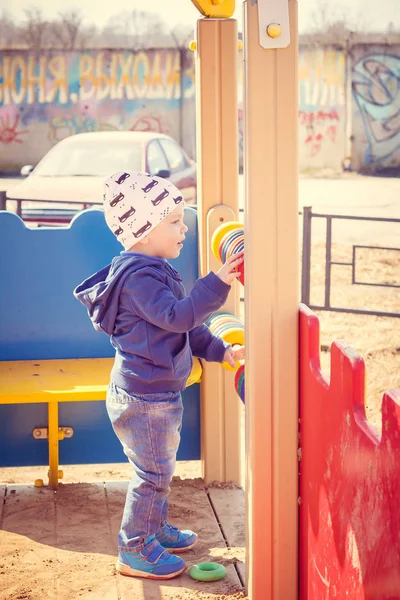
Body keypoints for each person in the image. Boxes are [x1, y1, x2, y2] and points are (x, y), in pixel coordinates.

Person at [74, 171, 244, 580]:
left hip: (152, 394)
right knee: (152, 474)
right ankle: (134, 547)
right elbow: (180, 316)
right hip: (145, 400)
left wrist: (222, 351)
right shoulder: (140, 278)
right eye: (173, 221)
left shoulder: (152, 269)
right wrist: (218, 281)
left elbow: (182, 329)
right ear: (144, 232)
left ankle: (153, 528)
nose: (184, 227)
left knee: (158, 470)